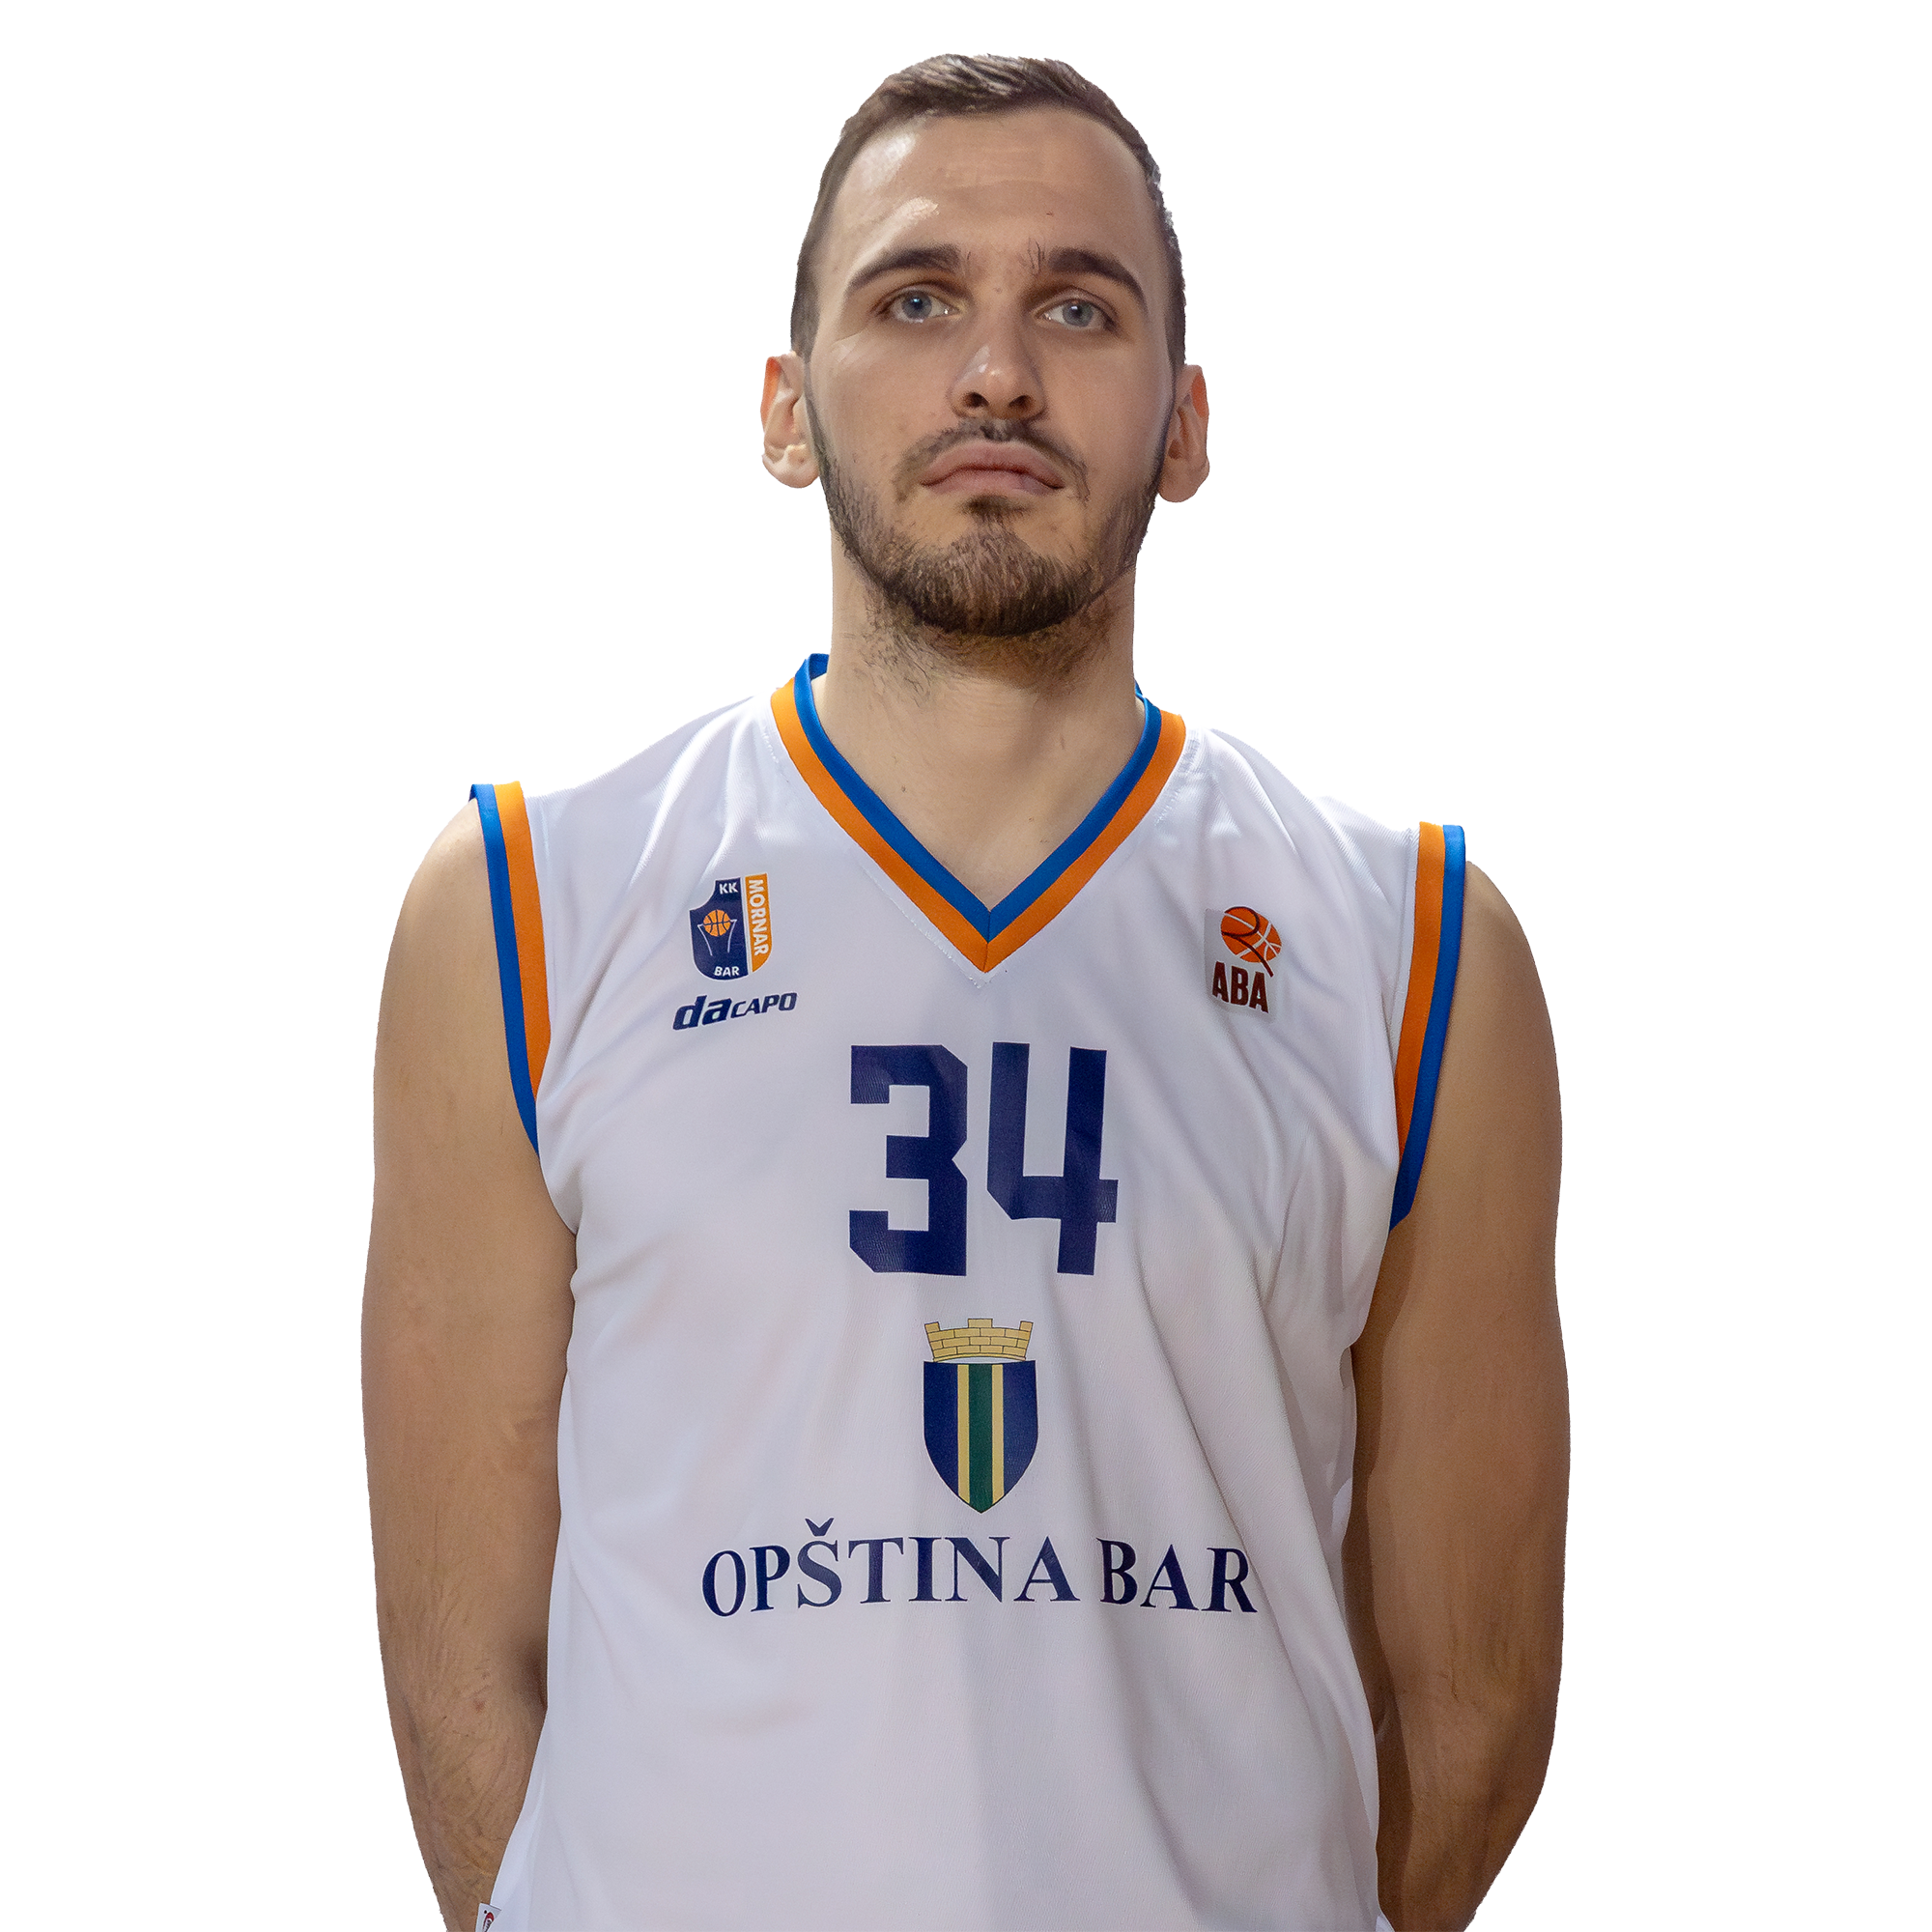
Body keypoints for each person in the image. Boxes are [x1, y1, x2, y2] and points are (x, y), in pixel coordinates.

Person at [365, 53, 1567, 1932]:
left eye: (1078, 308)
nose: (995, 372)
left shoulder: (1412, 947)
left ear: (1185, 424)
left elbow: (1473, 1692)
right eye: (916, 299)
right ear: (785, 410)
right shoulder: (528, 906)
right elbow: (462, 1652)